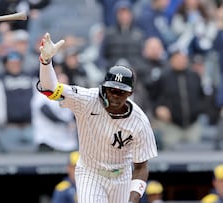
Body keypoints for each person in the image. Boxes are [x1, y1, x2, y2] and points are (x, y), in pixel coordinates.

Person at [37, 32, 158, 203]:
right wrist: (45, 61)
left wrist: (133, 199)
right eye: (111, 89)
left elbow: (141, 166)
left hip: (121, 176)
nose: (115, 95)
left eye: (121, 92)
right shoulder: (86, 99)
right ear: (104, 87)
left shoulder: (139, 120)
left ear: (130, 93)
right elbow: (49, 89)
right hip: (90, 172)